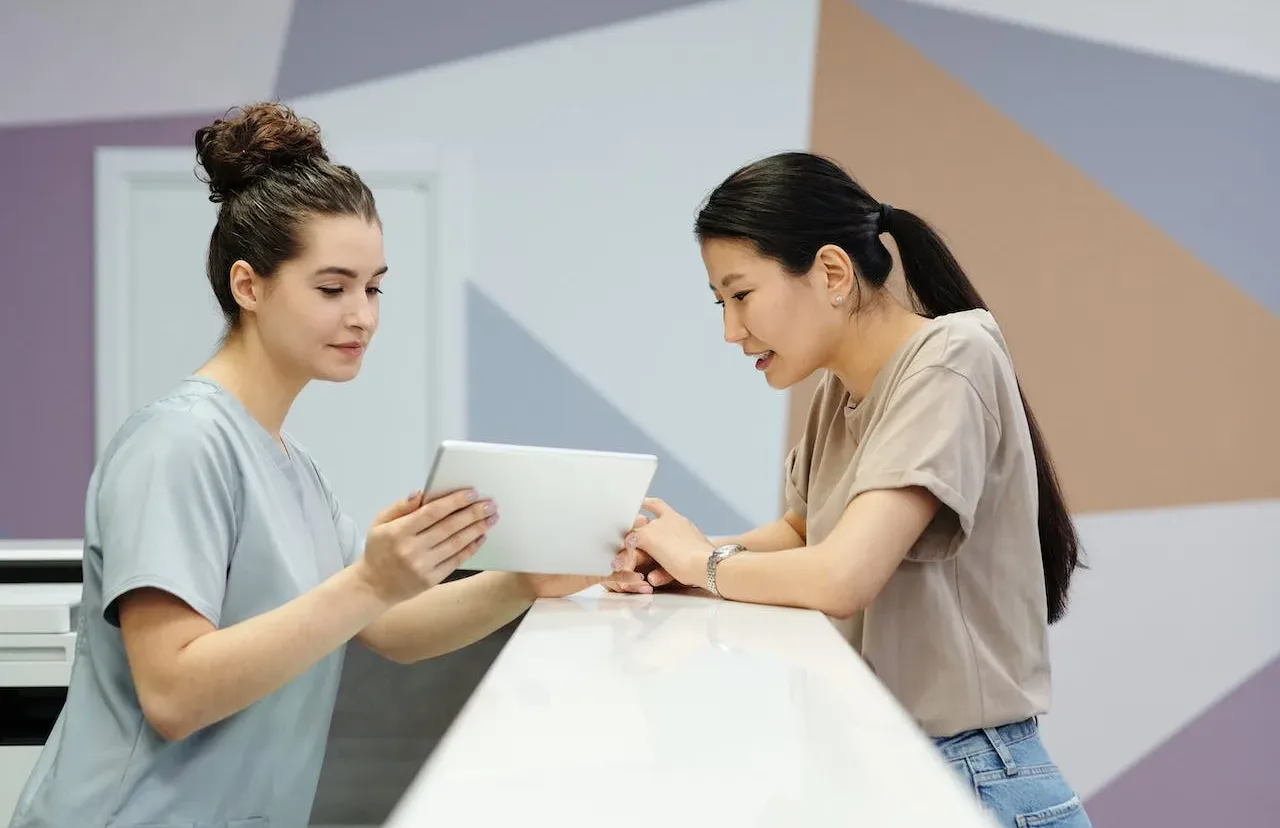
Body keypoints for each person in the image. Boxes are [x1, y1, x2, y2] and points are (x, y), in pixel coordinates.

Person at [9, 102, 636, 828]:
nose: (363, 315)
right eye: (332, 288)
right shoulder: (178, 445)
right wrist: (370, 580)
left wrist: (524, 578)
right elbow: (175, 693)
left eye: (374, 288)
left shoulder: (292, 465)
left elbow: (387, 629)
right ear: (249, 286)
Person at [606, 152, 1092, 827]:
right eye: (720, 302)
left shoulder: (953, 357)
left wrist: (702, 563)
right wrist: (680, 558)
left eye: (741, 295)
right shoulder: (840, 388)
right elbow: (805, 534)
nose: (730, 329)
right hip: (893, 770)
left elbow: (843, 576)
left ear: (832, 272)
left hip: (967, 778)